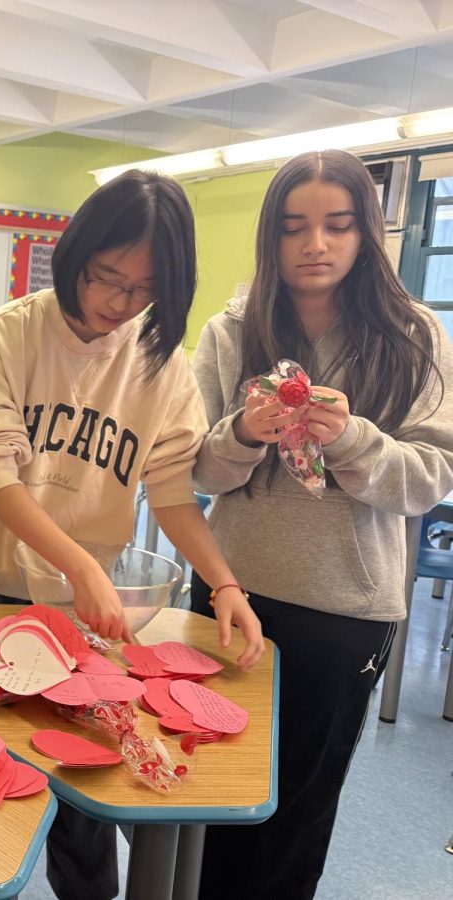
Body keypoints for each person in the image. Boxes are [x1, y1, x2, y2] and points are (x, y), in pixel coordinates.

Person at [0, 169, 265, 900]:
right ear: (75, 256)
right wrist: (85, 565)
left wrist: (225, 583)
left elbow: (174, 494)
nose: (116, 304)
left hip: (78, 608)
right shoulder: (8, 335)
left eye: (140, 291)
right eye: (105, 278)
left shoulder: (162, 365)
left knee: (78, 768)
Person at [190, 148, 453, 899]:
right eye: (295, 227)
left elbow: (430, 475)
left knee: (294, 819)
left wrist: (351, 439)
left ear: (367, 232)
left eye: (338, 226)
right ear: (270, 239)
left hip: (345, 611)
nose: (316, 245)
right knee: (200, 801)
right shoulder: (231, 330)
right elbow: (194, 475)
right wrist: (243, 433)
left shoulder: (415, 337)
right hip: (230, 593)